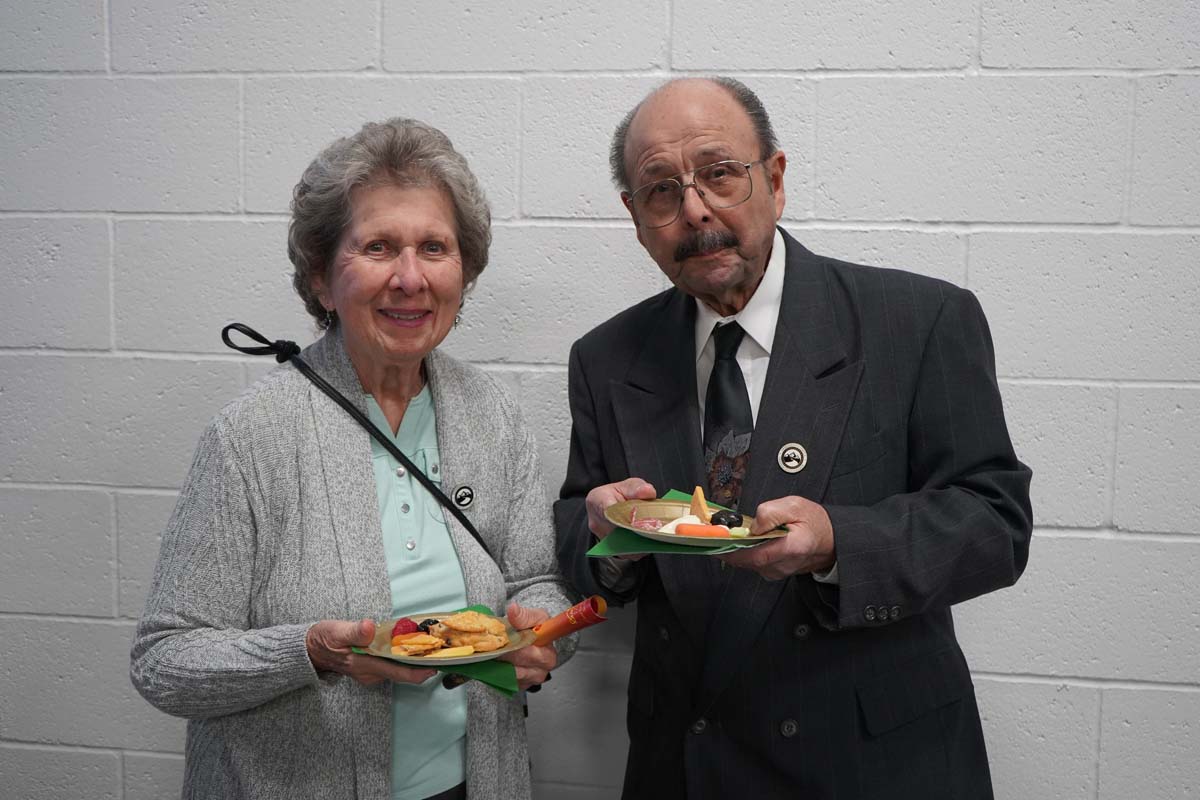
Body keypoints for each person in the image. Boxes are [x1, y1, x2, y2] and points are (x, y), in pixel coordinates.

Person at [554, 77, 1033, 800]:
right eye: (661, 190)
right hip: (684, 763)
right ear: (634, 216)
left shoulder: (919, 320)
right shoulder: (606, 358)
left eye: (719, 173)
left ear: (774, 180)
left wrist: (837, 541)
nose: (695, 210)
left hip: (870, 766)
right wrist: (606, 541)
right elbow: (576, 534)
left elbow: (995, 526)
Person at [131, 118, 576, 800]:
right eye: (377, 247)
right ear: (319, 277)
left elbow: (531, 583)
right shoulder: (250, 437)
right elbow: (165, 660)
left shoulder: (496, 415)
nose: (409, 278)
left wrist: (540, 631)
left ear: (465, 270)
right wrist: (310, 652)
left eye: (435, 248)